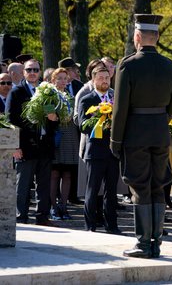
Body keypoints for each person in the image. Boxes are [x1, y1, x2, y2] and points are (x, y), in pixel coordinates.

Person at [111, 14, 172, 259]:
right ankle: (156, 243)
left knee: (139, 186)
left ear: (137, 36)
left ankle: (143, 244)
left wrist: (115, 140)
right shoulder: (170, 66)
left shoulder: (128, 65)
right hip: (160, 133)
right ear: (157, 37)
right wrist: (159, 122)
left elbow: (119, 109)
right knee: (158, 186)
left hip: (135, 134)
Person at [6, 59, 59, 226]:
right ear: (23, 72)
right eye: (29, 69)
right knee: (23, 186)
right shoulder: (16, 92)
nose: (32, 72)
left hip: (45, 145)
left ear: (40, 71)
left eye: (36, 69)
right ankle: (21, 218)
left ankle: (42, 217)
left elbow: (56, 119)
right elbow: (10, 121)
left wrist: (54, 118)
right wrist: (14, 146)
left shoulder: (49, 91)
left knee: (44, 186)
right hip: (25, 146)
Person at [78, 65, 121, 234]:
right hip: (95, 152)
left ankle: (112, 225)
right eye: (101, 78)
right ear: (94, 80)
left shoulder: (115, 98)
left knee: (111, 192)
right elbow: (82, 125)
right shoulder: (87, 99)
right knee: (92, 190)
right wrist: (101, 121)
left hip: (112, 152)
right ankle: (90, 226)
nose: (104, 81)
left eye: (107, 78)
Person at [49, 68, 79, 221]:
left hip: (70, 136)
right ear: (53, 80)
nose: (62, 81)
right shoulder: (49, 95)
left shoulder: (71, 97)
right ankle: (53, 207)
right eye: (59, 78)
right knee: (54, 174)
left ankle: (64, 206)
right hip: (56, 136)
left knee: (67, 174)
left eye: (65, 78)